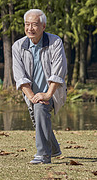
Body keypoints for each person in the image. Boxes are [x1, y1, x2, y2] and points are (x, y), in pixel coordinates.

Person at [12, 9, 67, 164]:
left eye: (34, 25)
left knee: (40, 110)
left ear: (43, 26)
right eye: (27, 24)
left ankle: (43, 155)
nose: (30, 28)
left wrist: (48, 94)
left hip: (52, 91)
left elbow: (59, 71)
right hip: (31, 92)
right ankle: (54, 149)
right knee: (39, 118)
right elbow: (19, 76)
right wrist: (32, 97)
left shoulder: (55, 42)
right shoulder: (18, 46)